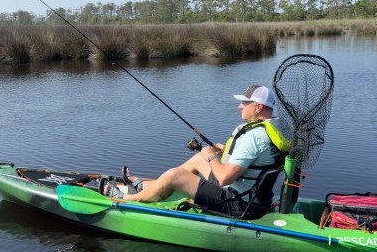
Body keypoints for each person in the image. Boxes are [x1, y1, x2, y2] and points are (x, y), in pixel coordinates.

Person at [103, 85, 290, 218]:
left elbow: (225, 178)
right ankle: (149, 186)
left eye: (245, 103)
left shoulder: (254, 136)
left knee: (176, 174)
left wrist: (211, 156)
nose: (239, 106)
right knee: (199, 157)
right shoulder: (272, 128)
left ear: (258, 107)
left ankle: (129, 197)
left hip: (238, 203)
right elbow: (259, 157)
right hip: (249, 194)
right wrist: (223, 150)